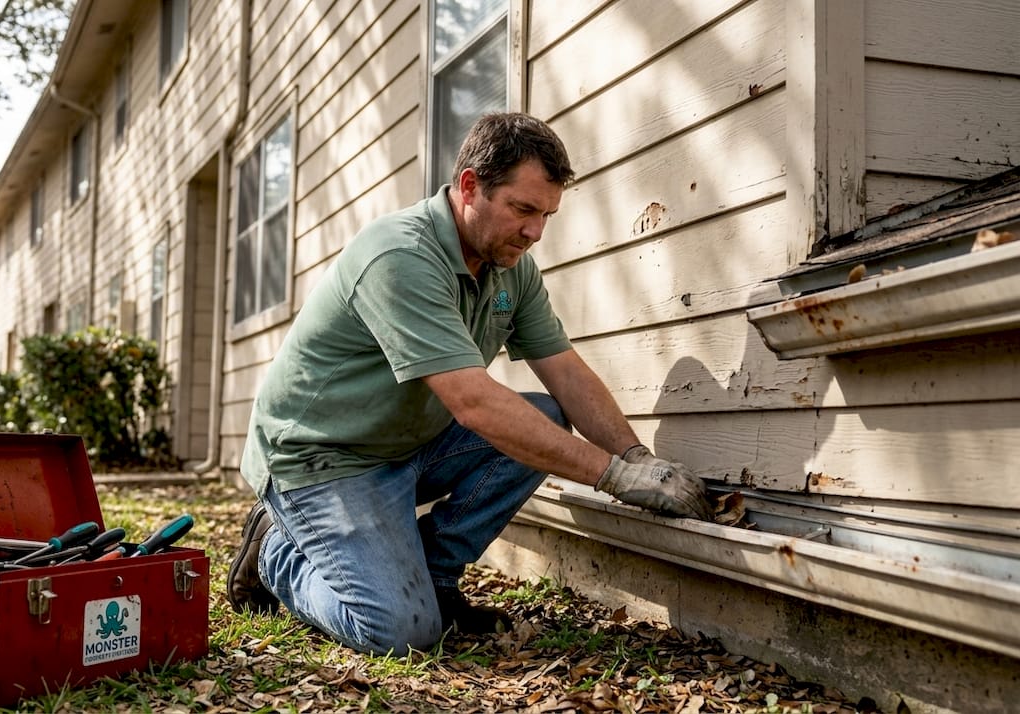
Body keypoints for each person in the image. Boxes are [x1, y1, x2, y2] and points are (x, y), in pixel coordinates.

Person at [228, 112, 712, 655]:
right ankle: (276, 553)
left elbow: (565, 370)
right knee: (397, 633)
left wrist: (636, 456)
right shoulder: (401, 255)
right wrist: (613, 476)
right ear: (469, 186)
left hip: (405, 445)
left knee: (547, 418)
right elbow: (475, 405)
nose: (535, 231)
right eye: (523, 209)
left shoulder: (509, 267)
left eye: (547, 214)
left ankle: (435, 579)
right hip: (322, 459)